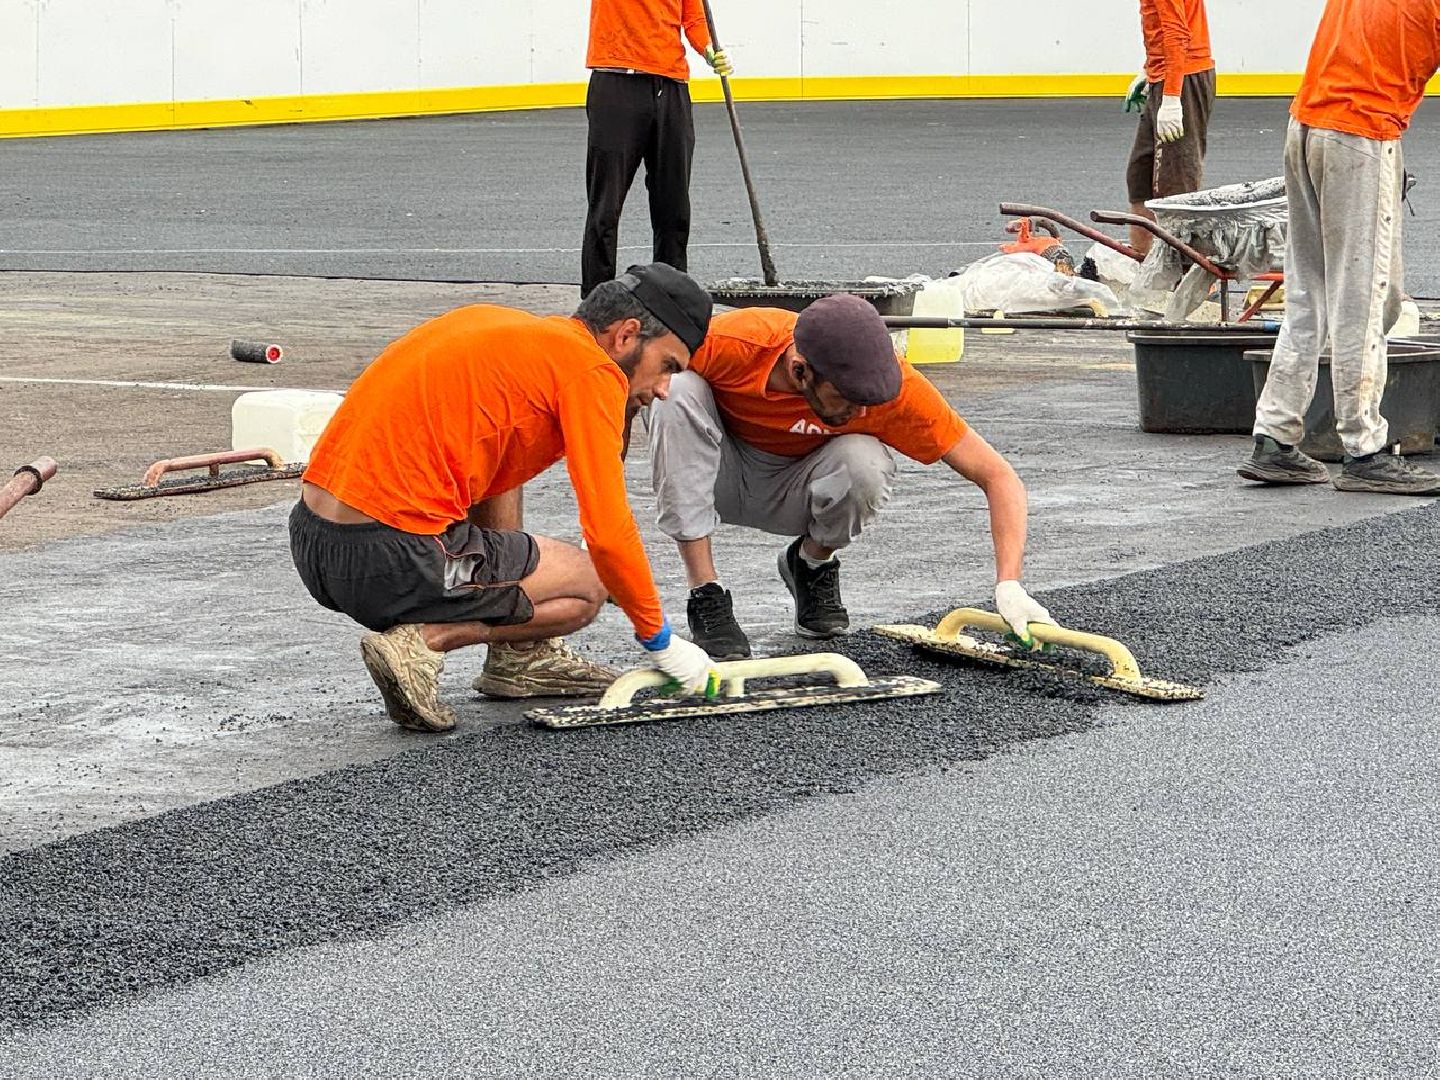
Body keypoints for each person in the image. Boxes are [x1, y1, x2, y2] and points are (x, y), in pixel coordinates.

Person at [290, 263, 717, 732]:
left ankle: (521, 655)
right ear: (626, 336)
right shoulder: (593, 371)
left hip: (315, 543)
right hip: (389, 556)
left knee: (503, 471)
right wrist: (660, 640)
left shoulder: (508, 333)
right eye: (667, 367)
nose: (661, 390)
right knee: (588, 585)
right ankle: (421, 644)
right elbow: (609, 534)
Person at [643, 294, 1053, 661]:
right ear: (801, 370)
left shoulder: (894, 388)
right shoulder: (733, 341)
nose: (859, 413)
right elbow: (622, 386)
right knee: (673, 389)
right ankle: (706, 592)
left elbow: (998, 476)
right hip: (715, 475)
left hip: (796, 490)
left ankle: (810, 564)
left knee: (865, 458)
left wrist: (1009, 585)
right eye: (846, 399)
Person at [1241, 0, 1440, 495]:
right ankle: (1364, 449)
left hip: (1305, 128)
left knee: (1311, 292)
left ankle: (1275, 438)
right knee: (1365, 299)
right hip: (1360, 135)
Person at [581, 0, 732, 296]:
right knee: (606, 204)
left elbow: (694, 18)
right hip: (616, 78)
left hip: (671, 84)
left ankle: (670, 296)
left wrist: (708, 49)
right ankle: (595, 299)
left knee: (673, 204)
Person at [1123, 0, 1216, 256]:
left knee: (1176, 188)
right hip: (1165, 76)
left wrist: (1172, 97)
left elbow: (1176, 33)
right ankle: (1143, 269)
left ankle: (1185, 279)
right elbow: (1161, 25)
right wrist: (1149, 71)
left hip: (1183, 78)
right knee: (1139, 177)